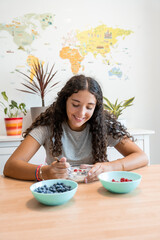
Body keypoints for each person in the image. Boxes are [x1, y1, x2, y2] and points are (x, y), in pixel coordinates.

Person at [3, 74, 148, 183]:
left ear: (95, 108)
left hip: (96, 192)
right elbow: (10, 166)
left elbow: (141, 157)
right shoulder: (48, 125)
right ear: (64, 101)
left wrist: (110, 167)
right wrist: (44, 172)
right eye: (75, 104)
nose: (81, 113)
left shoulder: (103, 125)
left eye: (89, 107)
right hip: (59, 191)